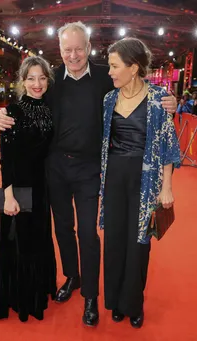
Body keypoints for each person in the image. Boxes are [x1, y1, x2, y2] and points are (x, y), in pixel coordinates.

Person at [0, 22, 178, 326]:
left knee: (87, 233)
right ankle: (72, 277)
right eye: (67, 49)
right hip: (54, 167)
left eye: (79, 48)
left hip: (91, 169)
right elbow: (31, 100)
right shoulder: (52, 80)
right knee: (63, 229)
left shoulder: (106, 80)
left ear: (89, 46)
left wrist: (167, 101)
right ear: (60, 50)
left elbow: (139, 90)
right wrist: (6, 112)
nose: (73, 54)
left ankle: (91, 295)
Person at [99, 38, 180, 329]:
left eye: (114, 66)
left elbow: (169, 148)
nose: (110, 72)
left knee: (139, 242)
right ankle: (116, 300)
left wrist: (166, 187)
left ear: (133, 68)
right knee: (115, 240)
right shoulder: (109, 99)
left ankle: (133, 304)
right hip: (113, 180)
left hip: (146, 181)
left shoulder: (159, 98)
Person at [0, 56, 57, 322]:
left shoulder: (52, 108)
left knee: (38, 238)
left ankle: (39, 289)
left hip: (42, 186)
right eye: (31, 78)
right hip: (18, 186)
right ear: (22, 81)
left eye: (42, 77)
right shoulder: (12, 111)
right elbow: (6, 158)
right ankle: (21, 300)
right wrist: (7, 196)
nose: (37, 83)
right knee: (18, 242)